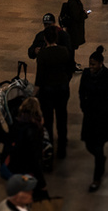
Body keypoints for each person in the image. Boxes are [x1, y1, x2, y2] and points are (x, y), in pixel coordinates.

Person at [77, 46, 108, 192]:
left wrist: (107, 108)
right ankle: (100, 160)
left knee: (99, 146)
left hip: (102, 115)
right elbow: (81, 91)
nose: (91, 67)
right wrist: (83, 106)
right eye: (90, 64)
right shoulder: (86, 74)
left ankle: (96, 178)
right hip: (89, 114)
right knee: (89, 144)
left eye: (93, 64)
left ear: (101, 64)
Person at [33, 21, 76, 160]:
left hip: (47, 90)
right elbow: (70, 68)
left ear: (45, 39)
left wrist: (33, 95)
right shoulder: (64, 51)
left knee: (48, 119)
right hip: (62, 88)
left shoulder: (43, 54)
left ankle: (49, 145)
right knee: (62, 117)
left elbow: (39, 78)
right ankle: (62, 147)